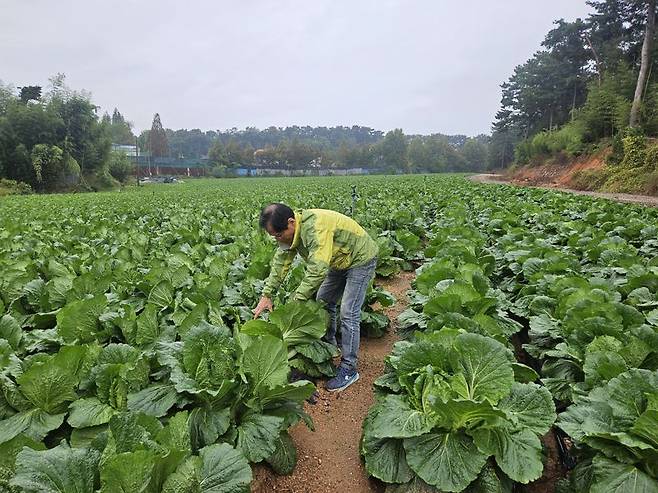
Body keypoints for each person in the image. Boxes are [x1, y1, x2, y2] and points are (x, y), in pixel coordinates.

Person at [253, 203, 378, 392]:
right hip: (339, 260)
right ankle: (329, 345)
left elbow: (317, 271)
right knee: (323, 301)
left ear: (291, 222)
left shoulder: (316, 228)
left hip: (360, 258)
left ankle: (349, 368)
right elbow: (281, 264)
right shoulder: (291, 235)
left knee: (348, 311)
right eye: (274, 237)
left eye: (278, 235)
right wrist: (266, 295)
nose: (278, 239)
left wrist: (297, 301)